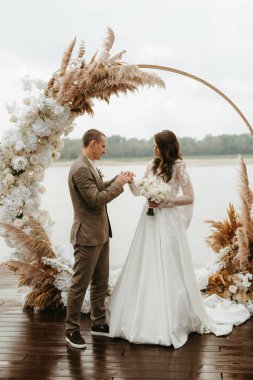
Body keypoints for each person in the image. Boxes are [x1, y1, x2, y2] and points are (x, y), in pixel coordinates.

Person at [108, 130, 250, 349]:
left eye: (156, 145)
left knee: (170, 264)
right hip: (148, 223)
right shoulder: (152, 164)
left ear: (165, 146)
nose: (154, 148)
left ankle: (173, 317)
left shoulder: (179, 167)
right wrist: (130, 182)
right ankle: (143, 313)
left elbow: (189, 196)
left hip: (167, 224)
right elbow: (139, 192)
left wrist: (165, 200)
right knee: (146, 264)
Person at [65, 128, 132, 349]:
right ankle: (71, 330)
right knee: (80, 284)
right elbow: (95, 199)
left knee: (100, 282)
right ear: (93, 143)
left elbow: (99, 188)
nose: (104, 150)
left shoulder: (89, 165)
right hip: (86, 236)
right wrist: (119, 185)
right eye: (103, 146)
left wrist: (117, 179)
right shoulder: (80, 168)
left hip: (101, 234)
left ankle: (98, 323)